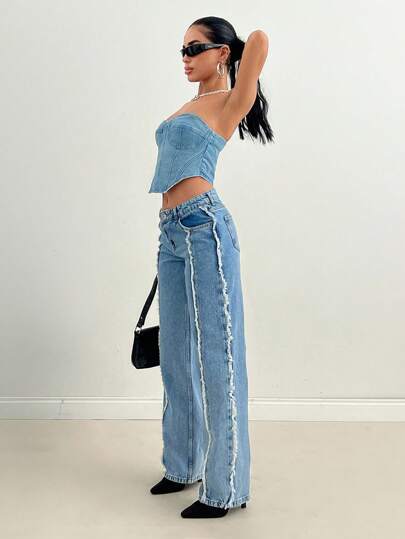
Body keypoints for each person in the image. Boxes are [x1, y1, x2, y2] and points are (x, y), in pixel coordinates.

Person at [148, 16, 273, 519]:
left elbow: (259, 40)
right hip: (170, 233)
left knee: (219, 355)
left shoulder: (229, 101)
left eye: (195, 47)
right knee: (175, 353)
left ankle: (225, 488)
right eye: (181, 49)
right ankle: (182, 466)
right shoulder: (189, 105)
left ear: (221, 53)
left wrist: (237, 49)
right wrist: (213, 49)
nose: (185, 57)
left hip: (205, 229)